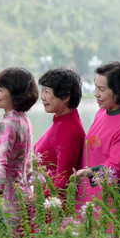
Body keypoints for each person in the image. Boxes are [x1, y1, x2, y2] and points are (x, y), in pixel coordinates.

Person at [75, 61, 120, 209]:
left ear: (118, 90)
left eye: (102, 89)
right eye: (96, 87)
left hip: (114, 198)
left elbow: (114, 166)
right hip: (90, 190)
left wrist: (90, 173)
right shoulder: (102, 112)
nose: (96, 93)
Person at [0, 67, 38, 222]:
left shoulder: (8, 123)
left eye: (1, 89)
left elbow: (1, 161)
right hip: (23, 195)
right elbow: (26, 163)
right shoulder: (24, 120)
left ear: (15, 93)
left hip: (6, 200)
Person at [33, 68, 85, 201]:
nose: (42, 97)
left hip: (53, 208)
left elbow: (63, 181)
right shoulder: (60, 122)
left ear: (66, 96)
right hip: (44, 202)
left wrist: (37, 197)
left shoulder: (69, 131)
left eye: (47, 91)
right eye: (42, 90)